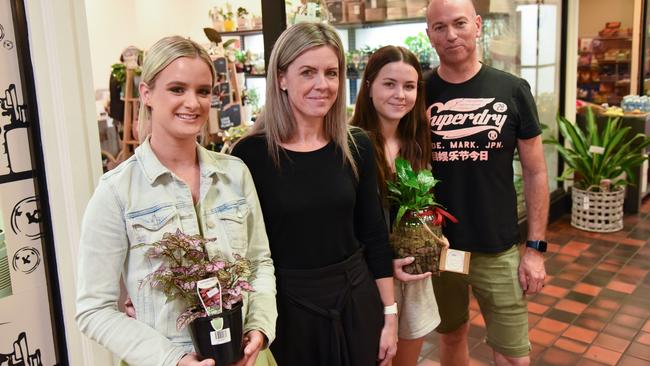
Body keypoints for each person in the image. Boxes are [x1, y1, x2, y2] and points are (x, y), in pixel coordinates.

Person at [76, 36, 276, 366]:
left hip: (246, 357)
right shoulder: (117, 191)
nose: (193, 103)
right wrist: (173, 359)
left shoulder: (235, 174)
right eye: (177, 89)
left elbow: (259, 263)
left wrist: (260, 327)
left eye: (203, 91)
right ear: (147, 93)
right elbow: (93, 310)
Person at [231, 23, 398, 366]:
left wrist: (390, 316)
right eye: (308, 72)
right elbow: (238, 249)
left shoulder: (357, 146)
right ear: (281, 78)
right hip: (288, 312)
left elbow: (374, 236)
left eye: (331, 73)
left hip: (356, 300)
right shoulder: (250, 156)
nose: (323, 85)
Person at [424, 0, 549, 365]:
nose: (451, 35)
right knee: (450, 337)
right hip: (442, 250)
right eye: (440, 27)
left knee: (512, 352)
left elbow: (536, 171)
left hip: (498, 248)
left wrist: (536, 249)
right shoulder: (418, 92)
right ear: (428, 34)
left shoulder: (512, 89)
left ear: (477, 25)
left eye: (460, 23)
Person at [350, 45, 446, 366]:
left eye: (409, 86)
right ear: (369, 86)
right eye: (389, 84)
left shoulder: (418, 142)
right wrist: (384, 263)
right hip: (373, 281)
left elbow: (424, 206)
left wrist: (433, 234)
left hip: (414, 279)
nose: (400, 95)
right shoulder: (351, 145)